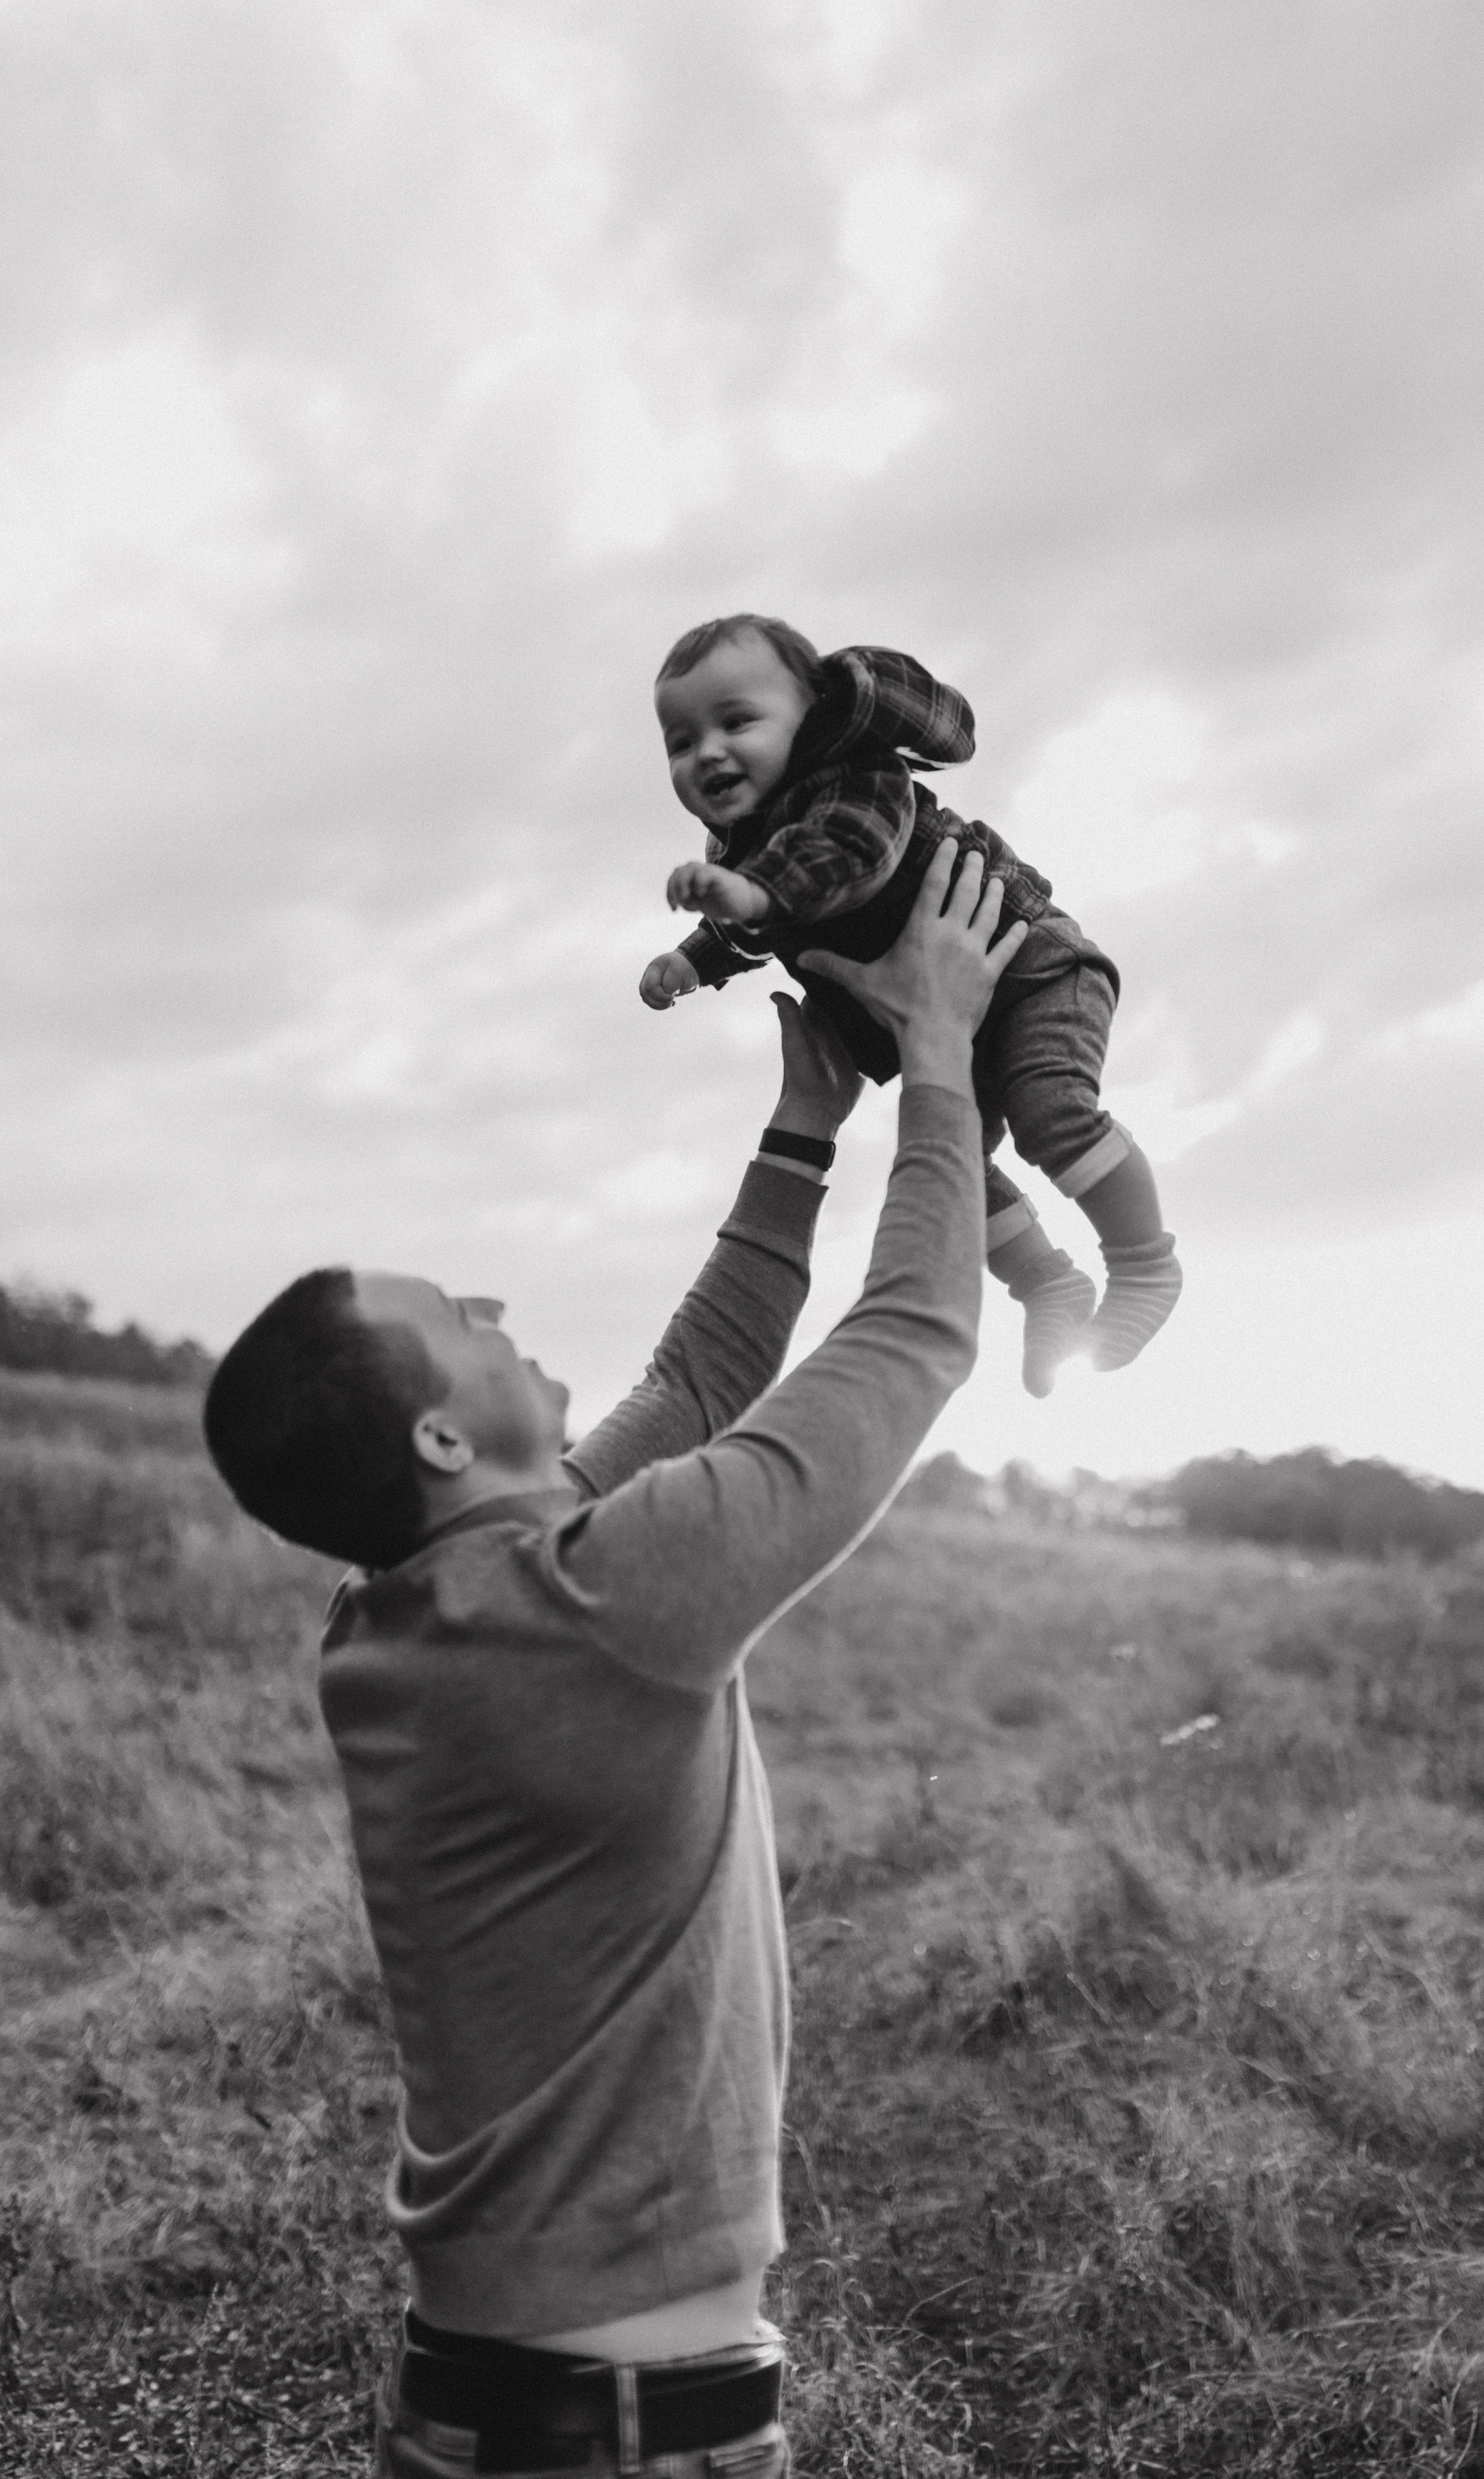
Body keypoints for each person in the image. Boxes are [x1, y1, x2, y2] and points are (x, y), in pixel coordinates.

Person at [202, 843, 1023, 2479]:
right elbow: (914, 1335)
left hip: (502, 2404)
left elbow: (701, 1370)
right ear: (443, 1429)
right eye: (454, 1306)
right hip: (616, 2441)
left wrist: (801, 1120)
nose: (493, 1293)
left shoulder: (423, 1612)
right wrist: (937, 1055)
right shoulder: (592, 1599)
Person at [639, 613, 1182, 1398]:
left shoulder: (856, 779)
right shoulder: (744, 857)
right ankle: (1046, 1284)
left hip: (1030, 974)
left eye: (736, 721)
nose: (707, 752)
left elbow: (849, 857)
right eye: (681, 742)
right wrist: (690, 963)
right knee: (951, 1168)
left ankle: (1143, 1265)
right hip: (944, 1031)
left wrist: (753, 894)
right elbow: (749, 927)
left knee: (1049, 1113)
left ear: (810, 718)